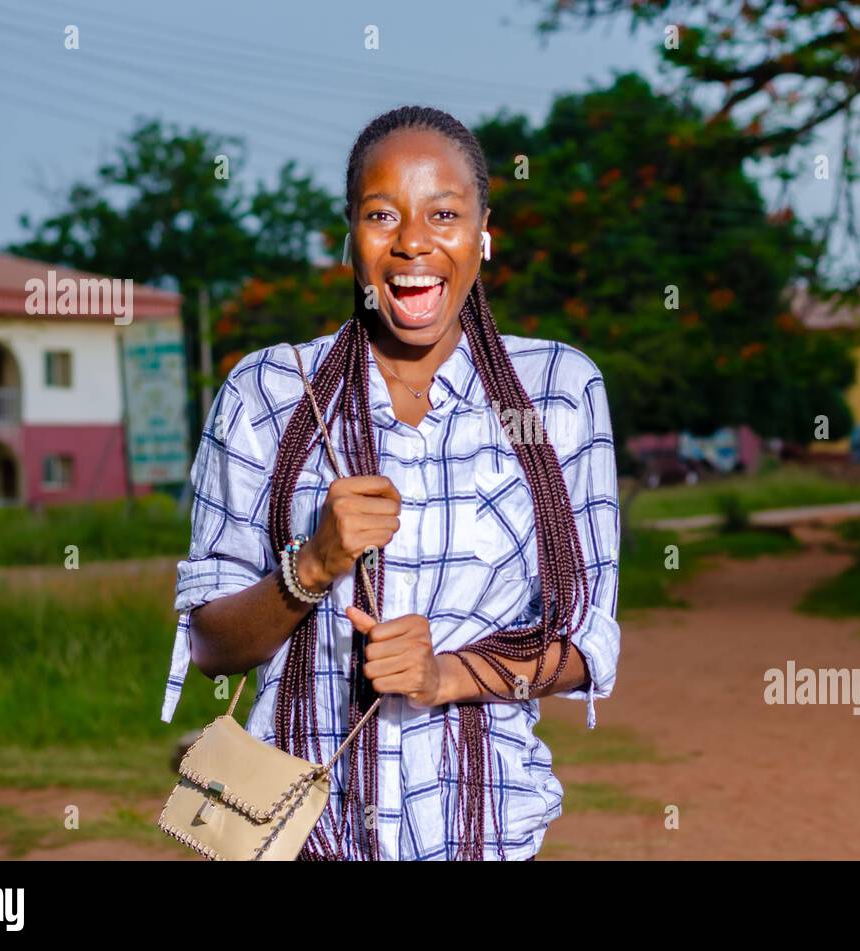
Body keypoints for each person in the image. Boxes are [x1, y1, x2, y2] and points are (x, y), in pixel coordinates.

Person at [160, 106, 621, 861]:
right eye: (382, 214)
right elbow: (210, 641)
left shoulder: (559, 392)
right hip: (303, 838)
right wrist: (311, 566)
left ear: (483, 232)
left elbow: (585, 641)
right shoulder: (267, 392)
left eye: (444, 213)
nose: (413, 242)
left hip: (484, 835)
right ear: (350, 235)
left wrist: (445, 674)